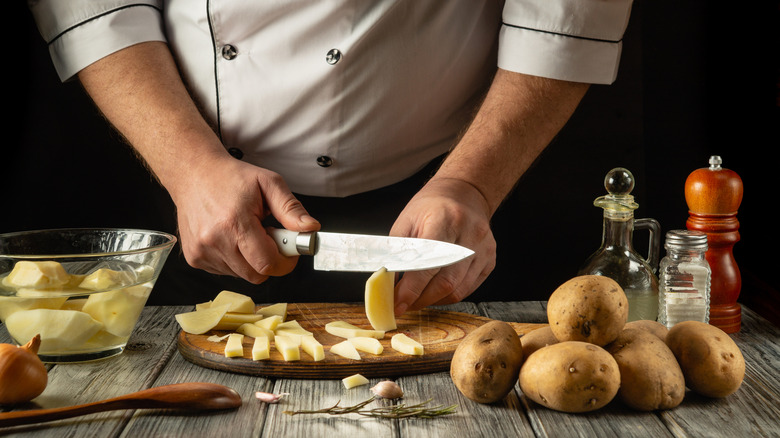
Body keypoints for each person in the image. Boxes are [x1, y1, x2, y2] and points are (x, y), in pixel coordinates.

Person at [28, 1, 634, 313]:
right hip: (199, 205)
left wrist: (472, 184)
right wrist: (189, 168)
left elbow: (566, 12)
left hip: (444, 197)